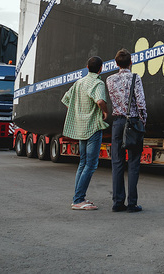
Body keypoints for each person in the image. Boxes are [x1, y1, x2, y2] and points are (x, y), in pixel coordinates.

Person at [61, 56, 109, 210]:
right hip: (93, 127)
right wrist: (105, 112)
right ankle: (78, 200)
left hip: (81, 127)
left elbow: (66, 99)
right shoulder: (98, 83)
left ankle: (78, 197)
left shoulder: (79, 83)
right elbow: (100, 101)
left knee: (82, 163)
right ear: (101, 69)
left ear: (87, 68)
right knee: (91, 164)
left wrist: (79, 113)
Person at [106, 48, 147, 213]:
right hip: (133, 122)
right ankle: (132, 203)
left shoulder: (109, 80)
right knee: (134, 163)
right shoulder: (135, 78)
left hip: (117, 122)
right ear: (131, 62)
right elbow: (141, 103)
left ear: (116, 63)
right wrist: (143, 122)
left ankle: (117, 202)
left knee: (117, 162)